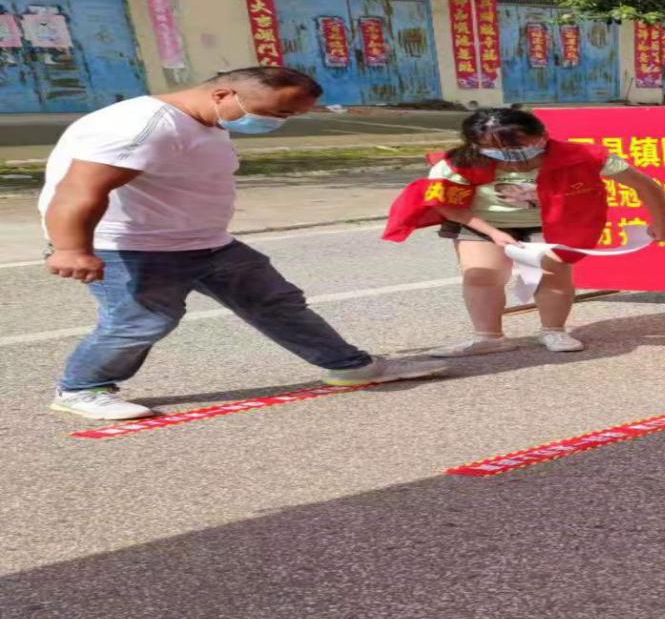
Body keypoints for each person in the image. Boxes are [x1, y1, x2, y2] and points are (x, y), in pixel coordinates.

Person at [41, 66, 444, 421]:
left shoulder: (205, 121)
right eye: (277, 113)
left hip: (204, 241)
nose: (279, 122)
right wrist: (71, 248)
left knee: (276, 303)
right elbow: (79, 190)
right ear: (223, 94)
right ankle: (81, 389)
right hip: (133, 245)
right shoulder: (141, 126)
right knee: (143, 320)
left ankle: (350, 366)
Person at [386, 107, 665, 356]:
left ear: (543, 135)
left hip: (552, 222)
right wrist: (493, 233)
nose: (512, 156)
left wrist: (662, 223)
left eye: (521, 146)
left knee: (552, 275)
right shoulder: (456, 164)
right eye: (496, 149)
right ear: (474, 145)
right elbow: (447, 205)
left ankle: (554, 330)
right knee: (482, 275)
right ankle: (488, 337)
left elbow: (646, 185)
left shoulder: (584, 155)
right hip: (482, 222)